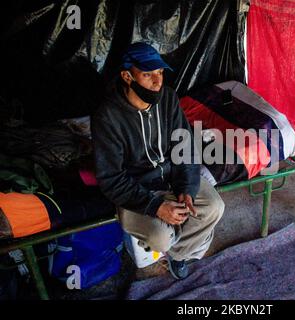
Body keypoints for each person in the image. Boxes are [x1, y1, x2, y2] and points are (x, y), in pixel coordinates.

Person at [91, 42, 224, 279]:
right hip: (136, 189)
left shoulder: (168, 99)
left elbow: (184, 146)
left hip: (171, 177)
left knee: (214, 207)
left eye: (160, 73)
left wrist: (187, 188)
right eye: (147, 74)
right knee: (159, 237)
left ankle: (179, 255)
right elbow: (111, 178)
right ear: (127, 76)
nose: (157, 81)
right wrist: (156, 207)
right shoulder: (107, 116)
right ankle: (182, 243)